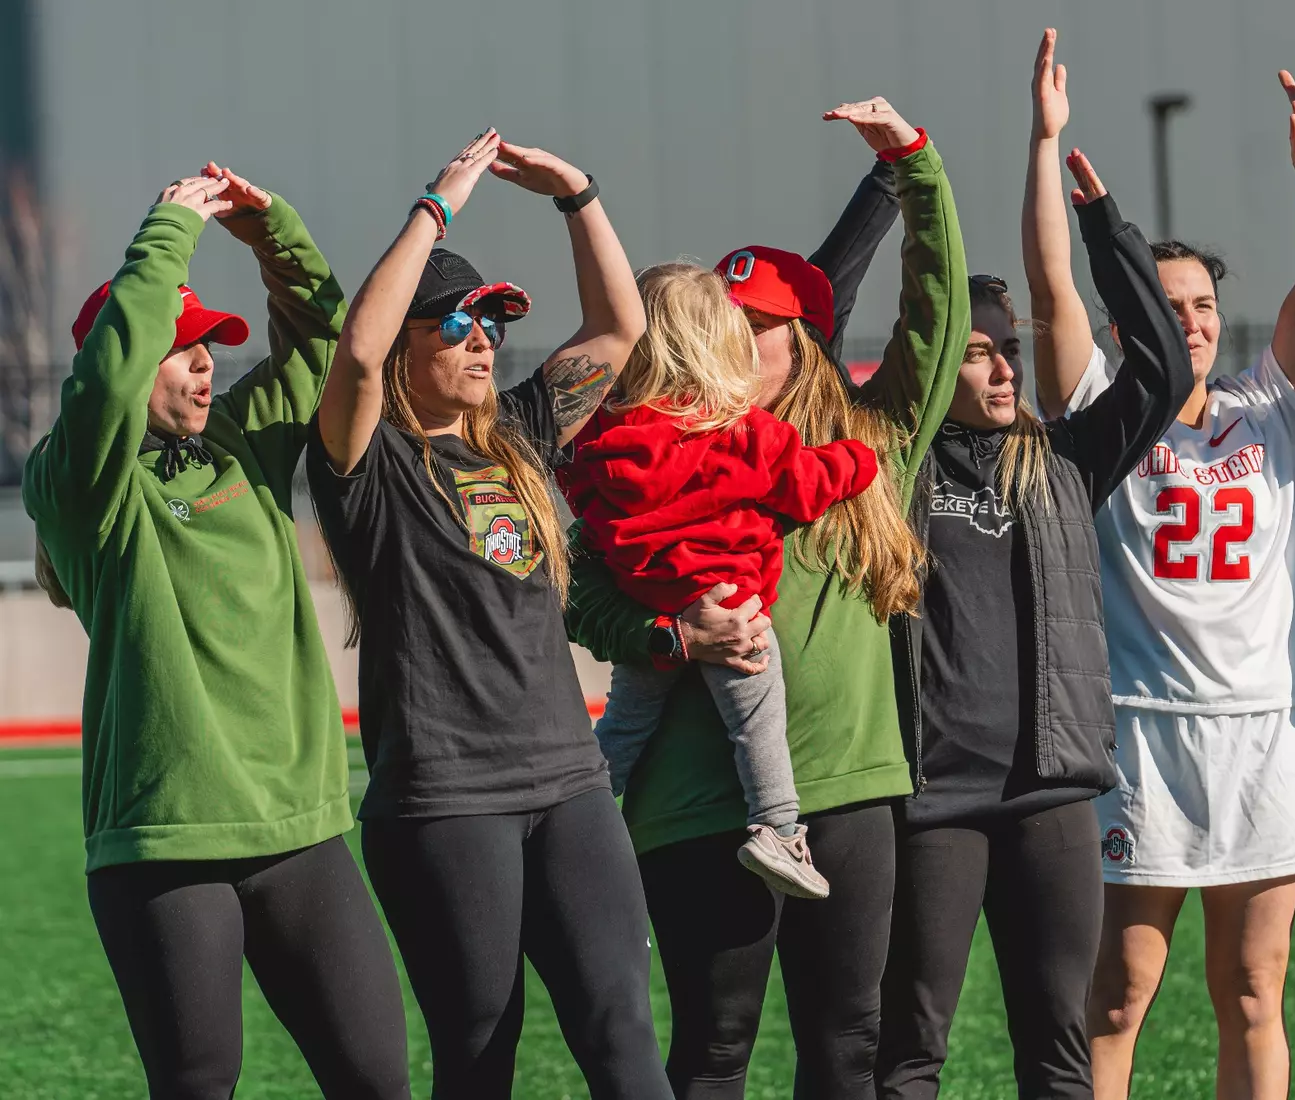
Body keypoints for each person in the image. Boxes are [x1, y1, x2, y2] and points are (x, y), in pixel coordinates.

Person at [565, 98, 968, 1097]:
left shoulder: (865, 444)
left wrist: (915, 170)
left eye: (764, 326)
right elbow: (582, 605)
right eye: (725, 322)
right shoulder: (650, 447)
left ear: (809, 340)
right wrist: (672, 632)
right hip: (694, 799)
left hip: (846, 795)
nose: (739, 341)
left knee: (846, 1045)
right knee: (710, 1048)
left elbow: (939, 314)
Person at [23, 168, 410, 1099]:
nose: (206, 363)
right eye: (183, 345)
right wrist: (167, 232)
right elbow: (104, 383)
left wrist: (270, 227)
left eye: (211, 347)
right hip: (163, 849)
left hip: (302, 837)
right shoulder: (79, 486)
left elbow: (326, 340)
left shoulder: (246, 443)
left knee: (379, 1080)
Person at [308, 129, 669, 1099]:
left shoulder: (518, 431)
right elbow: (354, 352)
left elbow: (620, 333)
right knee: (481, 1048)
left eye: (492, 324)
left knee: (623, 1026)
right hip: (445, 800)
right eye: (459, 322)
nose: (483, 340)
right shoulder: (370, 467)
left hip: (570, 781)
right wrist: (436, 208)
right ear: (412, 344)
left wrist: (577, 194)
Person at [873, 31, 1195, 1099]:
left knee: (1057, 1040)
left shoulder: (1060, 460)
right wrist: (896, 186)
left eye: (1011, 348)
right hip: (933, 795)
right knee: (910, 1043)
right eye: (980, 347)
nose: (1005, 364)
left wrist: (1106, 226)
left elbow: (1162, 363)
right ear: (936, 357)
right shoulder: (892, 462)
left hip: (1051, 790)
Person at [1031, 28, 1295, 1099]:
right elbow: (1052, 290)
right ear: (1135, 324)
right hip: (1147, 732)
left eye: (1205, 305)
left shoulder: (1268, 409)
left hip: (1265, 728)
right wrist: (1045, 146)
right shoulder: (1106, 418)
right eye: (1169, 308)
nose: (1193, 322)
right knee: (1119, 988)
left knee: (1256, 986)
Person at [561, 261, 883, 899]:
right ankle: (778, 828)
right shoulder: (743, 433)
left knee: (624, 724)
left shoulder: (604, 434)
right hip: (732, 600)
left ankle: (577, 828)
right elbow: (808, 483)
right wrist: (859, 457)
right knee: (758, 720)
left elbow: (581, 504)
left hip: (652, 604)